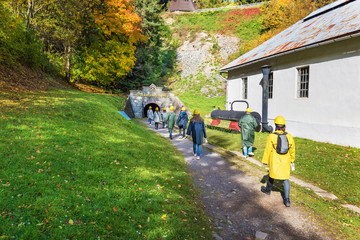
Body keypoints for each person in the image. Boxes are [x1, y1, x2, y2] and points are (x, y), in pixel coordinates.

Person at [261, 116, 295, 207]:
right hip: (286, 159)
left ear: (275, 125)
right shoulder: (289, 136)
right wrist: (292, 159)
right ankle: (287, 200)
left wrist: (265, 160)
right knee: (285, 179)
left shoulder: (272, 136)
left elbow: (268, 149)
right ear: (284, 125)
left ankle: (268, 190)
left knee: (272, 174)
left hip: (275, 159)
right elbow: (292, 149)